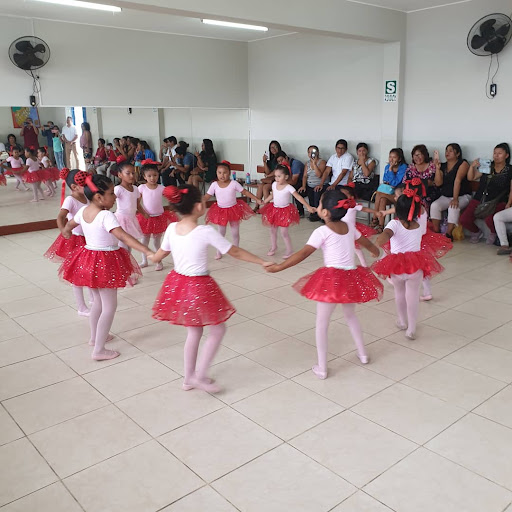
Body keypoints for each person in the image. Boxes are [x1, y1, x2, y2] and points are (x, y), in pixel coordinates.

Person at [150, 184, 269, 392]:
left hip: (178, 284)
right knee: (218, 330)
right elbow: (235, 252)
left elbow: (159, 255)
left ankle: (188, 378)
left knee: (193, 333)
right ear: (198, 207)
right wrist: (260, 261)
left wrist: (152, 257)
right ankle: (201, 375)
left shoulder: (171, 229)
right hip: (198, 286)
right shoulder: (204, 231)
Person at [265, 191, 382, 378]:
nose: (317, 208)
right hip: (350, 277)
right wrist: (376, 251)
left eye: (319, 205)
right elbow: (367, 243)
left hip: (332, 281)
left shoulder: (322, 231)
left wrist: (280, 267)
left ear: (326, 212)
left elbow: (303, 254)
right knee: (351, 316)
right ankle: (363, 354)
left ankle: (322, 367)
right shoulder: (350, 227)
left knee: (322, 324)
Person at [60, 174, 153, 361]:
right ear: (99, 197)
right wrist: (147, 250)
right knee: (109, 306)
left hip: (87, 260)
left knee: (98, 303)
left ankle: (95, 339)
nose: (115, 197)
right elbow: (124, 237)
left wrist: (66, 232)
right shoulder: (105, 215)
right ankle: (99, 350)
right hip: (104, 261)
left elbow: (69, 225)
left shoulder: (83, 211)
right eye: (111, 193)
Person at [372, 187, 443, 340]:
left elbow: (384, 237)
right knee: (412, 297)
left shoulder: (394, 225)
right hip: (415, 266)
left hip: (397, 266)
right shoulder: (418, 226)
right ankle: (411, 328)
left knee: (399, 293)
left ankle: (402, 321)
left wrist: (379, 242)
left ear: (397, 210)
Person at [379, 180, 452, 302]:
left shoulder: (414, 208)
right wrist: (386, 212)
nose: (397, 198)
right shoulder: (419, 206)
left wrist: (386, 212)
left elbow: (398, 210)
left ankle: (392, 276)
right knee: (422, 267)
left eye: (399, 195)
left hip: (415, 237)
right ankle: (427, 292)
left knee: (392, 255)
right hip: (420, 236)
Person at [44, 169, 90, 315]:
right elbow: (60, 217)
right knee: (77, 273)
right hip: (75, 239)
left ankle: (93, 299)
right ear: (74, 187)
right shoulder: (71, 200)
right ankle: (81, 306)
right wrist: (63, 230)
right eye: (85, 183)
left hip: (89, 238)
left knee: (89, 269)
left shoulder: (88, 197)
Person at [204, 161, 262, 259]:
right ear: (216, 173)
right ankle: (219, 251)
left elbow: (245, 192)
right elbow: (207, 196)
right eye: (219, 173)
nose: (222, 175)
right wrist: (198, 203)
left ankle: (237, 250)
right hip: (221, 211)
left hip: (233, 210)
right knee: (221, 232)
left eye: (225, 172)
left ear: (229, 173)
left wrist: (256, 199)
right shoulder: (214, 185)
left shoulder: (234, 183)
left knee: (235, 233)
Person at [260, 163, 316, 258]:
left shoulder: (289, 187)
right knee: (272, 230)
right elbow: (272, 195)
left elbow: (298, 197)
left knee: (284, 232)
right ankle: (274, 247)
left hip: (285, 211)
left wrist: (308, 206)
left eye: (279, 176)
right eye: (275, 176)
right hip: (274, 209)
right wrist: (265, 201)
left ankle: (289, 250)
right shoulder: (274, 184)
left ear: (286, 177)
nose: (277, 179)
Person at [461, 143, 511, 244]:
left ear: (506, 155)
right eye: (495, 153)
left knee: (490, 219)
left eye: (499, 153)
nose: (496, 156)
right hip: (480, 198)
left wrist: (508, 204)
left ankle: (494, 233)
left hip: (497, 200)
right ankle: (476, 232)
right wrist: (472, 167)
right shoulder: (488, 165)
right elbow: (471, 177)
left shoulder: (510, 170)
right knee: (464, 219)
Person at [136, 161, 178, 270]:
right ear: (144, 177)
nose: (152, 178)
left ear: (158, 175)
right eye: (149, 176)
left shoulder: (161, 188)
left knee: (157, 241)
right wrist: (143, 213)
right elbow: (137, 202)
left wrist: (174, 203)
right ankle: (144, 260)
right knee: (145, 240)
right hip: (146, 217)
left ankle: (159, 261)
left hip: (159, 217)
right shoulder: (142, 188)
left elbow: (170, 197)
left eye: (155, 175)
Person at [430, 143, 471, 240]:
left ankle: (449, 234)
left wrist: (455, 198)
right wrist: (437, 168)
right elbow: (438, 183)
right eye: (446, 150)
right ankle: (436, 232)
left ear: (457, 154)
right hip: (446, 196)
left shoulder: (463, 163)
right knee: (434, 205)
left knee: (453, 207)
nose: (447, 153)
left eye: (451, 151)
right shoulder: (443, 165)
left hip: (462, 196)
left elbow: (458, 181)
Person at [114, 161, 146, 262]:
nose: (132, 175)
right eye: (128, 173)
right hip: (121, 219)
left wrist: (144, 213)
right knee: (123, 246)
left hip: (131, 219)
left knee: (130, 245)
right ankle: (123, 266)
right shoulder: (118, 189)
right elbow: (110, 200)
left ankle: (128, 266)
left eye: (133, 173)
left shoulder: (136, 189)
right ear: (120, 175)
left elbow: (137, 205)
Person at [371, 148, 408, 230]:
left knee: (379, 194)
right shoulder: (387, 166)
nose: (391, 159)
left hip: (398, 195)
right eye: (390, 157)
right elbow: (385, 180)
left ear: (399, 159)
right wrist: (390, 178)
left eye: (394, 157)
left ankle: (374, 218)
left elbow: (395, 183)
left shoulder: (403, 167)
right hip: (388, 193)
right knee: (382, 199)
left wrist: (391, 170)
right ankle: (381, 226)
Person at [299, 145, 326, 222]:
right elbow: (304, 176)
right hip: (310, 184)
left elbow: (319, 175)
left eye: (313, 152)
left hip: (320, 184)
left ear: (317, 153)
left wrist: (314, 164)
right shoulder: (307, 163)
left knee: (316, 192)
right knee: (300, 192)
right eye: (309, 152)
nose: (311, 154)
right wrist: (303, 186)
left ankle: (318, 214)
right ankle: (302, 212)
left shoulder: (322, 162)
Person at [254, 140, 282, 212]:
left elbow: (277, 169)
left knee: (265, 187)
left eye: (275, 147)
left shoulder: (281, 157)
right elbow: (267, 172)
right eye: (271, 148)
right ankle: (257, 206)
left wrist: (268, 175)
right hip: (271, 179)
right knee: (260, 185)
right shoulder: (271, 159)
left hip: (278, 179)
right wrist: (264, 161)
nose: (273, 149)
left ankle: (267, 208)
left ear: (278, 147)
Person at [275, 151, 305, 216]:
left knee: (296, 189)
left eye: (282, 160)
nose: (281, 163)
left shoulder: (295, 164)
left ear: (286, 157)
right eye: (279, 161)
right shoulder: (282, 167)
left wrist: (282, 182)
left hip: (303, 183)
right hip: (290, 181)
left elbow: (294, 181)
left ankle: (300, 211)